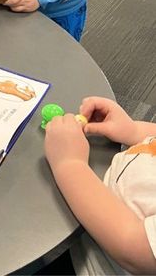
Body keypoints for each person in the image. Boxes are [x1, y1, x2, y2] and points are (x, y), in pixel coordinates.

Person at [44, 97, 156, 275]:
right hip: (90, 211)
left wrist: (69, 163)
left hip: (90, 263)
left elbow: (135, 249)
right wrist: (135, 131)